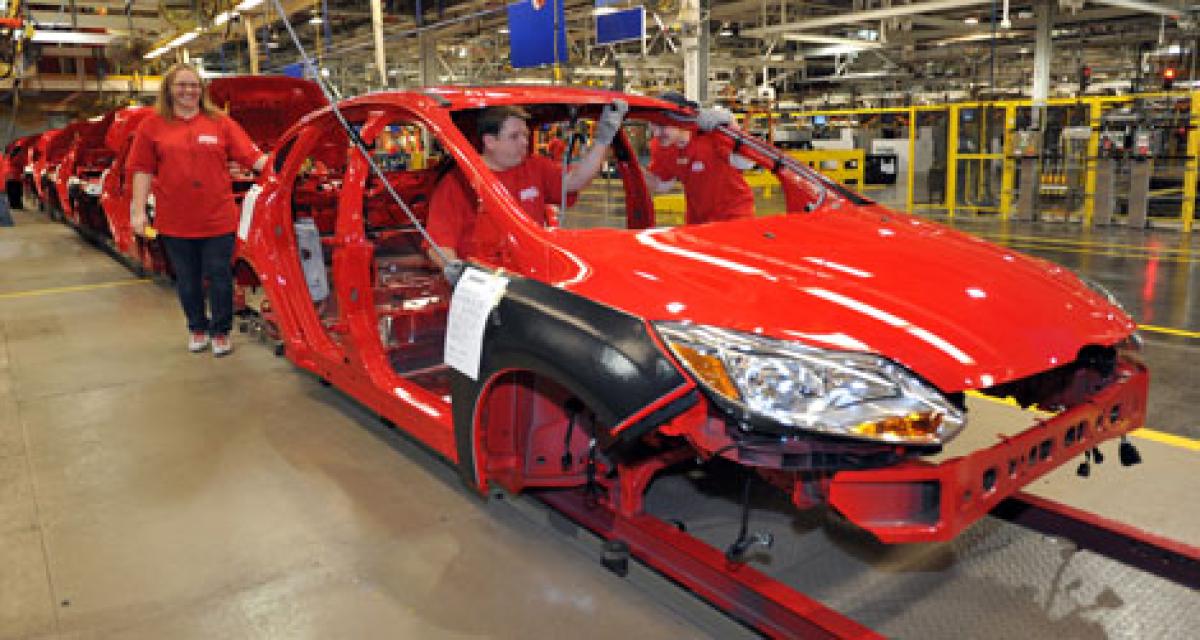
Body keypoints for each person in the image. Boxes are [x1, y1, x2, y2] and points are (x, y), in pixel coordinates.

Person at [127, 62, 267, 357]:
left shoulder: (220, 123)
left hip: (218, 218)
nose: (188, 91)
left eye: (194, 85)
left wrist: (287, 166)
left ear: (202, 90)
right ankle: (197, 328)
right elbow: (141, 170)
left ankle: (220, 331)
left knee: (219, 276)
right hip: (175, 220)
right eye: (181, 85)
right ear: (169, 89)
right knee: (187, 279)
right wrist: (137, 211)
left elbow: (252, 158)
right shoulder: (151, 126)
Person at [426, 100, 626, 265]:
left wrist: (603, 140)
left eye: (525, 135)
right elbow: (439, 248)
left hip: (533, 276)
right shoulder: (458, 183)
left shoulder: (535, 167)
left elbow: (576, 180)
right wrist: (460, 276)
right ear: (490, 141)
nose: (524, 142)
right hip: (486, 284)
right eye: (514, 136)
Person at [644, 92, 756, 224]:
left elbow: (746, 162)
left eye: (662, 126)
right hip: (698, 220)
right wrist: (630, 166)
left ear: (680, 121)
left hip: (734, 216)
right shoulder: (661, 146)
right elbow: (662, 185)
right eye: (653, 125)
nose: (656, 133)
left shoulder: (712, 136)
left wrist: (732, 123)